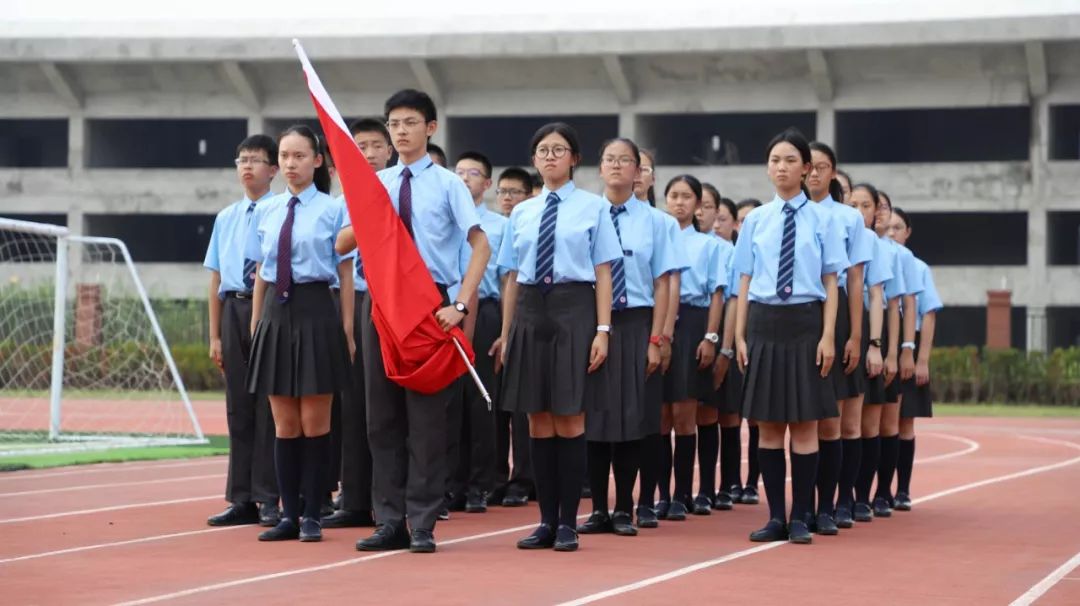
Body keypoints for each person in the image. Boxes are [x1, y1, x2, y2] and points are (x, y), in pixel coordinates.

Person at [340, 89, 491, 554]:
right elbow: (343, 244)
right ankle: (389, 520)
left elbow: (480, 245)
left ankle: (422, 522)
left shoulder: (448, 184)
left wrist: (461, 306)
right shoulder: (374, 185)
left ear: (430, 128)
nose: (400, 131)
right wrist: (368, 216)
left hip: (431, 308)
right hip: (381, 307)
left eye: (409, 122)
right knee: (380, 420)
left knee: (426, 423)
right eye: (394, 124)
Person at [493, 121, 620, 552]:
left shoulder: (593, 207)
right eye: (543, 150)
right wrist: (507, 334)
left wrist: (603, 330)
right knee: (537, 420)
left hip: (574, 309)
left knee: (569, 417)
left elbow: (603, 270)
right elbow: (511, 276)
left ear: (574, 159)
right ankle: (545, 520)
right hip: (530, 311)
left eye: (559, 150)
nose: (550, 156)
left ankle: (568, 521)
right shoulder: (522, 212)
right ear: (534, 160)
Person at [733, 128, 848, 545]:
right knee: (767, 427)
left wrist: (829, 335)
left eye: (789, 161)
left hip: (805, 323)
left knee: (803, 426)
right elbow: (743, 280)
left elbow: (832, 282)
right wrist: (740, 335)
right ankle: (776, 517)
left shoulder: (825, 220)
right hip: (764, 322)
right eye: (775, 161)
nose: (781, 167)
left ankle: (803, 516)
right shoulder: (756, 221)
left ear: (806, 169)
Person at [245, 125, 354, 543]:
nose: (291, 164)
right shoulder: (269, 210)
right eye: (285, 157)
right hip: (276, 313)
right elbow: (261, 273)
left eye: (299, 156)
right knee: (284, 424)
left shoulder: (332, 209)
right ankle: (288, 515)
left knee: (315, 422)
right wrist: (257, 324)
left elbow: (345, 273)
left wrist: (346, 328)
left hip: (316, 311)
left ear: (318, 160)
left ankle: (313, 514)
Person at [579, 138, 676, 537]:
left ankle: (624, 508)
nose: (617, 167)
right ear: (599, 169)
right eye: (609, 160)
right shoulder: (585, 214)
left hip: (637, 322)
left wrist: (658, 338)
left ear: (639, 172)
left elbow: (664, 283)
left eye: (626, 161)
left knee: (633, 418)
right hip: (593, 323)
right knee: (596, 417)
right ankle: (598, 507)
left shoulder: (658, 222)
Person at [205, 134, 281, 529]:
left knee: (267, 406)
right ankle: (241, 498)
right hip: (233, 307)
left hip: (266, 307)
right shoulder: (226, 217)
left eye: (255, 160)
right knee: (237, 406)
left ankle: (269, 496)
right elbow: (215, 277)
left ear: (273, 169)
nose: (247, 166)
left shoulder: (281, 210)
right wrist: (215, 334)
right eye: (241, 159)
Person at [322, 118, 394, 530]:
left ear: (388, 150)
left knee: (389, 407)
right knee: (354, 406)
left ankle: (395, 499)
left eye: (374, 146)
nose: (367, 154)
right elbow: (339, 258)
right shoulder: (342, 201)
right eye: (359, 147)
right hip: (355, 299)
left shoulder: (400, 191)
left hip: (394, 298)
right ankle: (353, 498)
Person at [807, 142, 872, 536]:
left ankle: (837, 501)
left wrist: (857, 336)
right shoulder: (785, 213)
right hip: (799, 311)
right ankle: (804, 503)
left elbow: (856, 279)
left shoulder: (849, 218)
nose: (814, 174)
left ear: (833, 173)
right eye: (809, 166)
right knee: (806, 418)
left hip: (840, 312)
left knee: (840, 420)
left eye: (822, 167)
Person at [662, 175, 728, 520]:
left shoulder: (710, 246)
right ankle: (659, 493)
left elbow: (718, 294)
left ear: (698, 204)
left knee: (686, 414)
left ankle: (684, 493)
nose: (680, 202)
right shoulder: (657, 239)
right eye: (673, 196)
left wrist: (711, 337)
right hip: (658, 324)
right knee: (660, 416)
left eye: (687, 197)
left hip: (692, 324)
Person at [836, 182, 899, 528]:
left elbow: (878, 296)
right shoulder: (828, 227)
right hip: (829, 326)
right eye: (852, 203)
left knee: (856, 423)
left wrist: (876, 345)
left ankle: (856, 497)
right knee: (826, 422)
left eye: (866, 205)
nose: (858, 211)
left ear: (877, 212)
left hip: (859, 331)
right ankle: (825, 498)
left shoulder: (873, 243)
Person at [446, 150, 505, 513]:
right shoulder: (443, 219)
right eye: (459, 172)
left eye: (473, 173)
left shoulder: (499, 226)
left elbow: (507, 279)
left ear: (487, 183)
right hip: (441, 312)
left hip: (483, 314)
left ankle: (480, 484)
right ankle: (449, 482)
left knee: (480, 400)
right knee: (447, 404)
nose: (465, 178)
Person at [489, 166, 536, 507]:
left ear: (528, 195)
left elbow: (515, 281)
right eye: (502, 192)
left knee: (523, 406)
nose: (506, 198)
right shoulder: (490, 227)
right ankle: (495, 476)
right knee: (494, 405)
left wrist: (509, 332)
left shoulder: (527, 224)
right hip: (492, 317)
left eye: (514, 192)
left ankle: (524, 477)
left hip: (527, 319)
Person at [889, 208, 941, 511]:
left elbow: (928, 313)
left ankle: (903, 490)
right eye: (890, 227)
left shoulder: (918, 267)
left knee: (904, 421)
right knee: (880, 422)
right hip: (886, 339)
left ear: (908, 232)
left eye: (899, 227)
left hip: (911, 342)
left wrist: (922, 360)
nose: (893, 232)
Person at [732, 196, 762, 504]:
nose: (745, 224)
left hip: (763, 330)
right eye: (741, 220)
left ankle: (752, 481)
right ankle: (731, 482)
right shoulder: (734, 254)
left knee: (758, 417)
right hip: (742, 332)